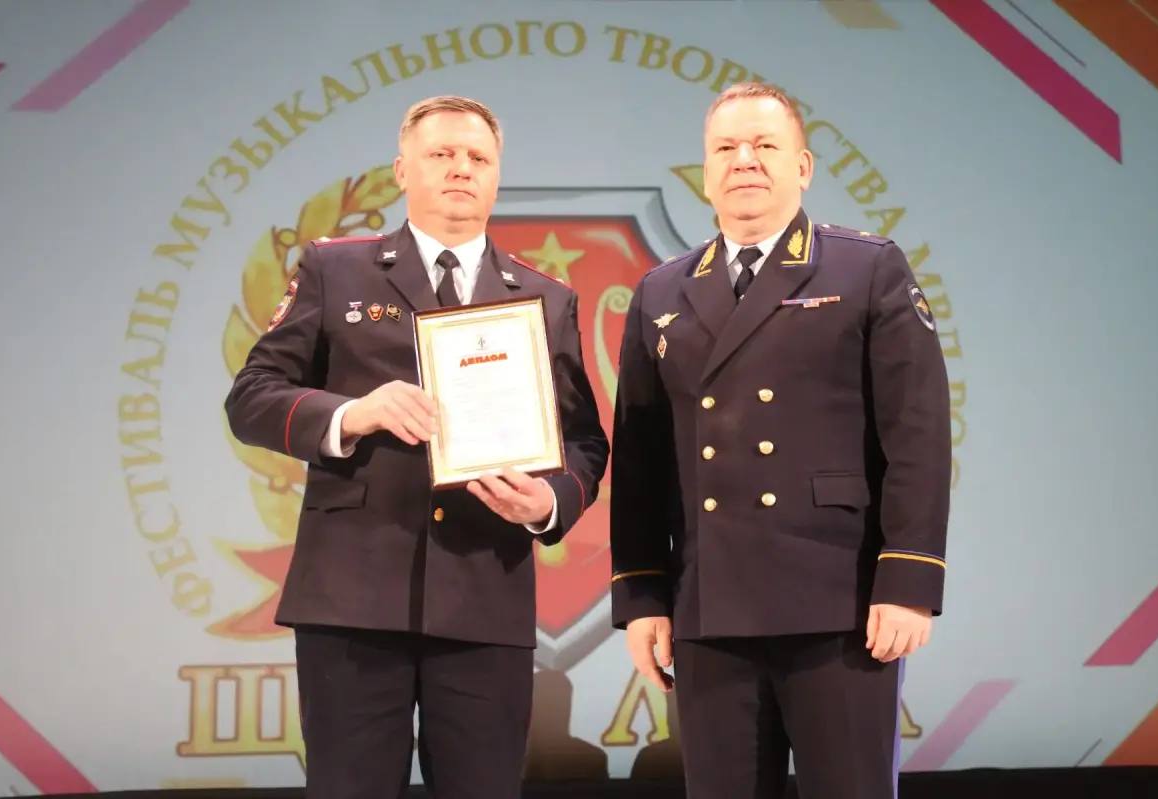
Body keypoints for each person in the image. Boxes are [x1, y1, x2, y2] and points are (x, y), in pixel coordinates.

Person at [225, 95, 609, 799]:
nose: (461, 169)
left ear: (496, 177)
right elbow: (251, 397)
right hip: (352, 600)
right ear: (402, 170)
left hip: (485, 596)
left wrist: (548, 502)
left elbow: (582, 439)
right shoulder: (335, 269)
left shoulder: (544, 298)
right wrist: (352, 414)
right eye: (441, 154)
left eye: (478, 157)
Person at [609, 82, 951, 798]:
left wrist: (909, 581)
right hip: (709, 606)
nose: (745, 160)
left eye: (765, 145)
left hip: (839, 604)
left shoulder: (865, 267)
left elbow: (917, 433)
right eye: (726, 148)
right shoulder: (662, 291)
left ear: (803, 166)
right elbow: (640, 461)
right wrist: (642, 596)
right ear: (705, 174)